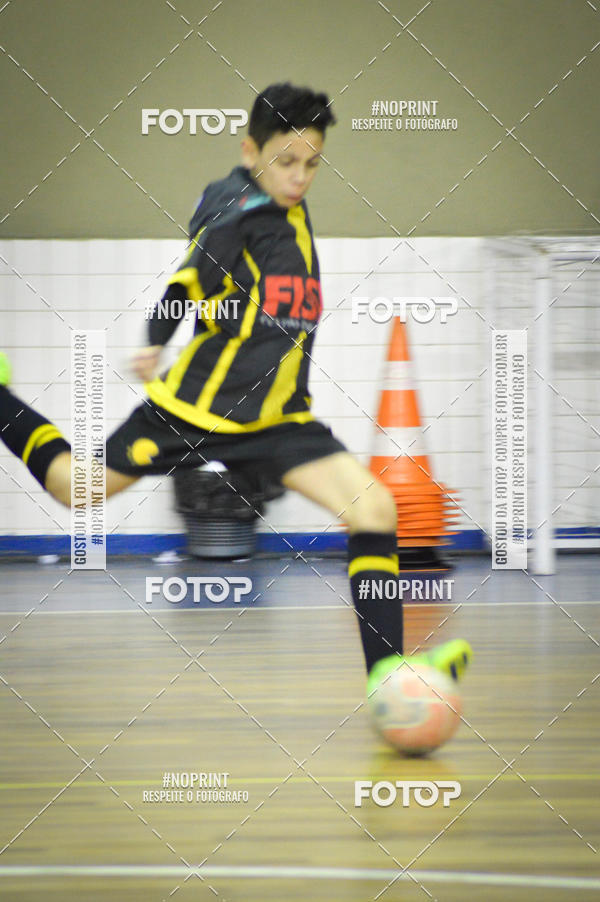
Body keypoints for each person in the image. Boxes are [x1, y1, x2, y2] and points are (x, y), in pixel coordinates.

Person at [0, 82, 470, 711]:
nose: (299, 177)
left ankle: (388, 678)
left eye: (312, 163)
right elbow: (186, 284)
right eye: (285, 162)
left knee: (376, 510)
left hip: (279, 422)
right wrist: (156, 340)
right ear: (252, 151)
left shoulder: (292, 210)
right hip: (194, 411)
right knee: (74, 488)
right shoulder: (235, 214)